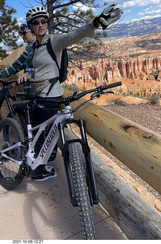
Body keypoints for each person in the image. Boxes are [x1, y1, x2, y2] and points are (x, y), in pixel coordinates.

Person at [17, 5, 123, 181]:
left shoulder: (54, 41)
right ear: (32, 27)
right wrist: (29, 73)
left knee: (50, 135)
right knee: (38, 131)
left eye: (43, 21)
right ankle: (40, 163)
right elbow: (40, 69)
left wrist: (95, 22)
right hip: (37, 96)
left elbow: (75, 35)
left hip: (51, 97)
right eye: (36, 23)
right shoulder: (35, 47)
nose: (40, 25)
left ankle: (49, 168)